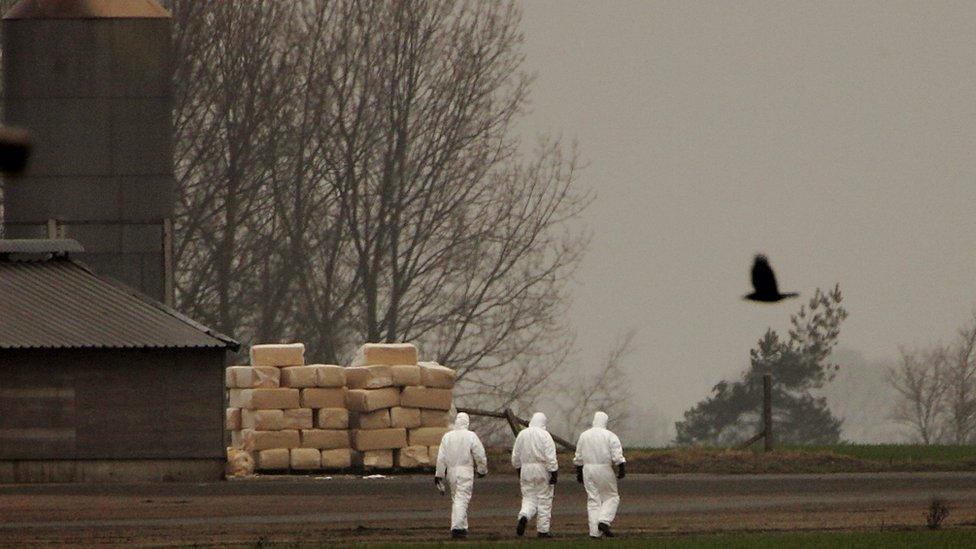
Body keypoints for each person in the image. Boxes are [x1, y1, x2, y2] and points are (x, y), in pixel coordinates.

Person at [435, 412, 488, 539]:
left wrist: (439, 474)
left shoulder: (447, 437)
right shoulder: (471, 436)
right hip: (465, 471)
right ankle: (457, 528)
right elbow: (480, 454)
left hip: (451, 472)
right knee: (462, 498)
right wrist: (482, 470)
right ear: (467, 423)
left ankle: (463, 527)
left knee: (456, 498)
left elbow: (441, 457)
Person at [573, 411, 626, 538]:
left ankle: (594, 532)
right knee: (611, 496)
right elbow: (617, 455)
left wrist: (579, 472)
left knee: (593, 500)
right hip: (604, 468)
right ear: (605, 422)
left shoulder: (584, 435)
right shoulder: (610, 435)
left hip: (587, 469)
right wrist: (621, 467)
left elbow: (578, 457)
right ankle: (604, 521)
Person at [510, 412, 558, 538]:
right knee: (544, 499)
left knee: (528, 498)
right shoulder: (545, 435)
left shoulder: (522, 434)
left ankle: (524, 516)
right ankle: (543, 530)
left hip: (526, 469)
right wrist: (554, 472)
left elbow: (515, 456)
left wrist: (518, 469)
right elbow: (550, 456)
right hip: (542, 469)